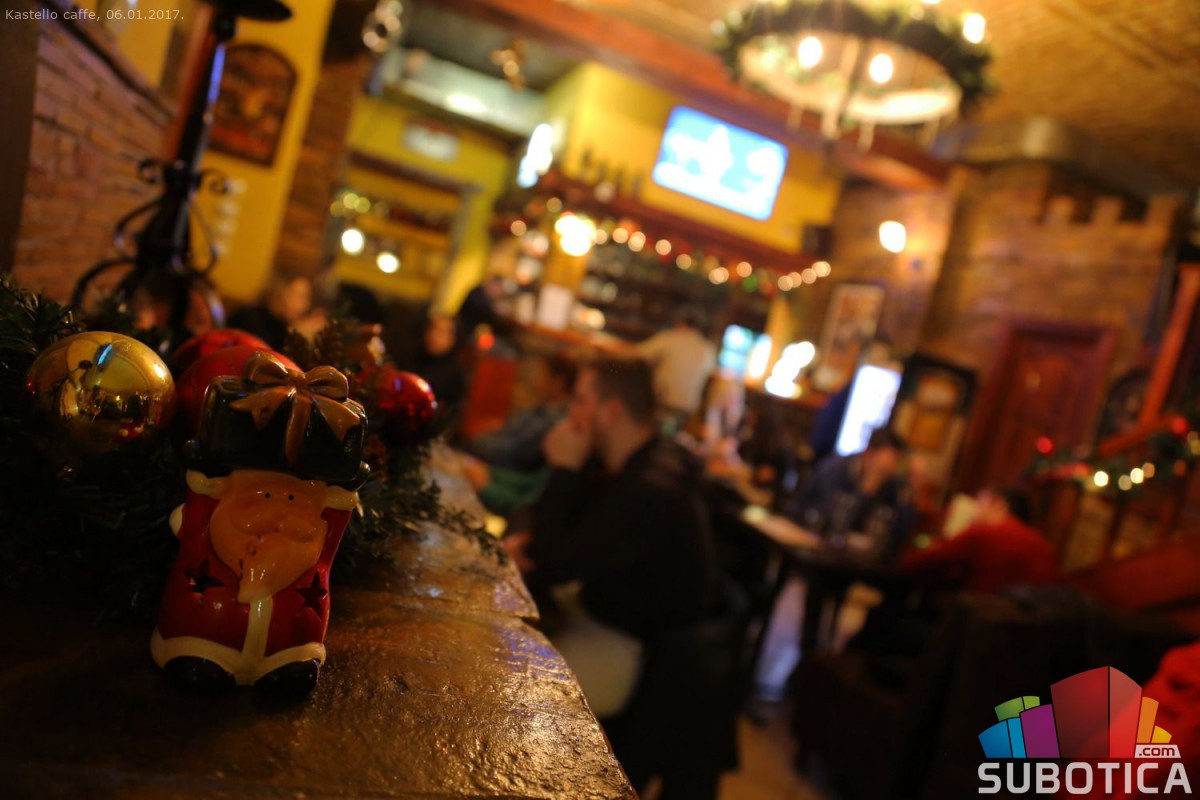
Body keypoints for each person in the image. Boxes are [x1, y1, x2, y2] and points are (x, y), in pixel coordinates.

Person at [505, 358, 728, 797]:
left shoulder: (651, 487)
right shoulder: (625, 462)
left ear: (610, 412)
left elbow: (553, 565)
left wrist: (563, 469)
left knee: (512, 680)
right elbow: (551, 529)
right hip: (610, 615)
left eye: (580, 400)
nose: (570, 412)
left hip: (648, 657)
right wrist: (527, 538)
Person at [900, 487, 1058, 593]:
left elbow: (915, 563)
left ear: (998, 505)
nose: (975, 511)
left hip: (978, 625)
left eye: (980, 504)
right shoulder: (1042, 543)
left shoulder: (984, 533)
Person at [790, 426, 915, 558]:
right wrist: (866, 490)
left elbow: (899, 533)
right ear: (868, 453)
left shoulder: (888, 482)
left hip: (850, 557)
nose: (891, 469)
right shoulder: (835, 470)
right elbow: (834, 524)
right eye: (887, 463)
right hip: (805, 542)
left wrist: (909, 491)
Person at [466, 353, 576, 471]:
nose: (537, 382)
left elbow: (513, 454)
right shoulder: (542, 409)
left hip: (496, 470)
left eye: (543, 376)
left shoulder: (552, 421)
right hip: (490, 460)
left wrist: (478, 439)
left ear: (558, 383)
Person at [634, 309, 718, 435]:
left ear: (681, 324)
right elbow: (711, 372)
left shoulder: (670, 338)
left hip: (662, 403)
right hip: (689, 412)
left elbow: (638, 354)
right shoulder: (708, 349)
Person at [228, 272, 322, 350]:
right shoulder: (249, 319)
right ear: (279, 292)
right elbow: (262, 359)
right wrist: (294, 336)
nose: (305, 305)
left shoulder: (282, 327)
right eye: (299, 296)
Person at [411, 313, 468, 414]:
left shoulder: (455, 375)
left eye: (442, 332)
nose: (434, 335)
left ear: (453, 339)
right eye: (432, 328)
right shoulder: (411, 357)